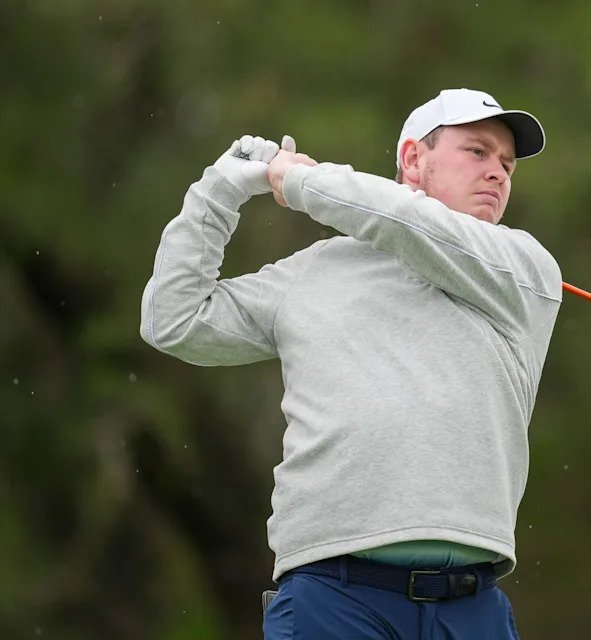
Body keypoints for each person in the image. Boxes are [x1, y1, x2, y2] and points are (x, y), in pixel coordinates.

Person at [140, 88, 562, 639]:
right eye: (478, 152)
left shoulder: (523, 269)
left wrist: (297, 179)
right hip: (333, 594)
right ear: (413, 160)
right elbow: (174, 319)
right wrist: (219, 193)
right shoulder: (315, 273)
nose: (498, 174)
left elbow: (407, 222)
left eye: (506, 164)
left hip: (472, 604)